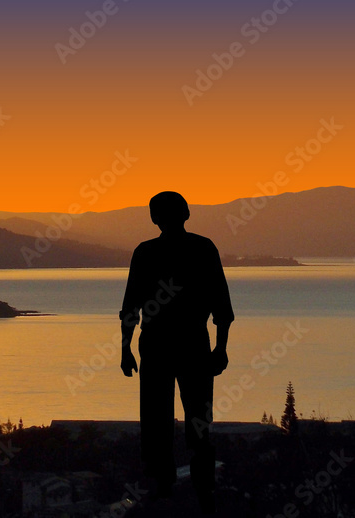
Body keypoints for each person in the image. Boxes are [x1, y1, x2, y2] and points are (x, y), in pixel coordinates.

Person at [119, 191, 234, 513]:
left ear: (155, 219)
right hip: (192, 343)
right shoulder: (202, 248)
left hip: (158, 344)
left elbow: (131, 307)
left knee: (157, 419)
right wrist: (220, 347)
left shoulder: (146, 252)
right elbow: (221, 306)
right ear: (185, 213)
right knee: (198, 418)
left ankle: (163, 485)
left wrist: (125, 348)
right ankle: (200, 487)